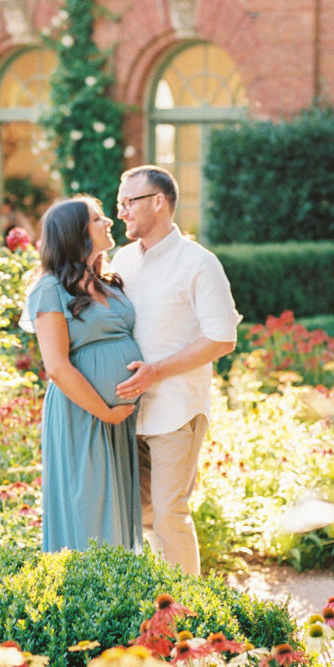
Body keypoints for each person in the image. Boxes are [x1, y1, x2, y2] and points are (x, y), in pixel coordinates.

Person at [112, 166, 240, 575]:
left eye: (128, 203)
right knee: (144, 515)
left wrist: (156, 372)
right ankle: (159, 609)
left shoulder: (200, 263)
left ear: (158, 202)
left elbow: (222, 339)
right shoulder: (122, 260)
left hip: (176, 409)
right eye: (119, 204)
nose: (121, 213)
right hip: (127, 411)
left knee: (170, 514)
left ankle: (192, 610)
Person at [22, 196, 142, 553]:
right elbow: (57, 367)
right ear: (75, 233)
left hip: (117, 419)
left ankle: (121, 599)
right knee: (90, 512)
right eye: (97, 218)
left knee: (116, 512)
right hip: (82, 415)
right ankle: (90, 599)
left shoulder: (107, 282)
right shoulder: (49, 290)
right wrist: (105, 411)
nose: (108, 222)